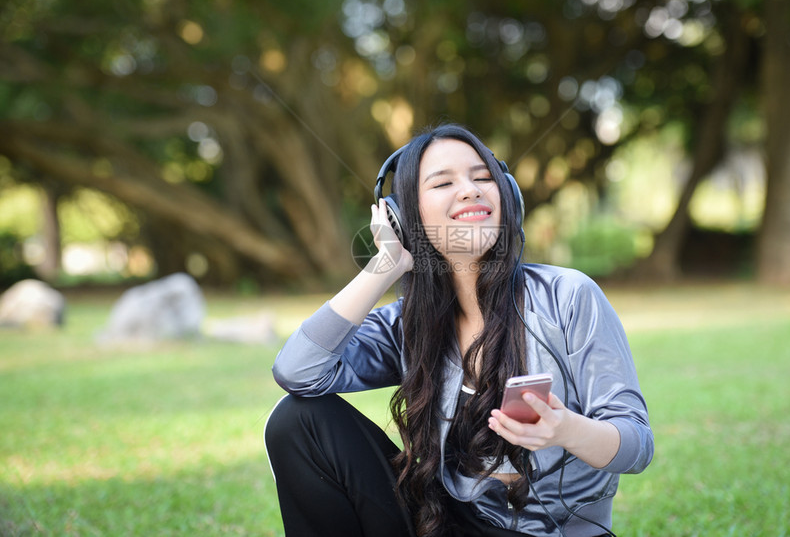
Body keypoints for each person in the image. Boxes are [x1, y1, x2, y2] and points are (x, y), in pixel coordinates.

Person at [265, 123, 653, 537]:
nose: (470, 190)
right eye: (443, 182)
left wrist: (565, 429)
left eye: (483, 177)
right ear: (403, 217)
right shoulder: (408, 324)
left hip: (553, 533)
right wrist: (384, 266)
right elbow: (298, 371)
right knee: (297, 420)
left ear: (507, 196)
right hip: (448, 524)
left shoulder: (569, 296)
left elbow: (636, 445)